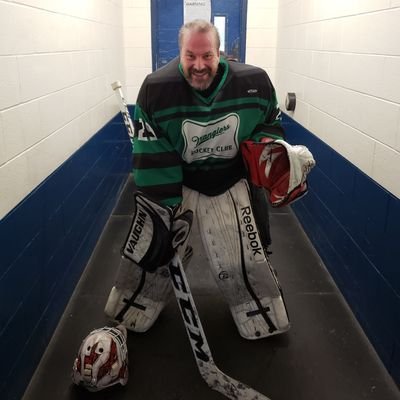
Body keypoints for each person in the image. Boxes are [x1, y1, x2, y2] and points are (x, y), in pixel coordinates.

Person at [104, 19, 314, 340]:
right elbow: (152, 155)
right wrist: (164, 212)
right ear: (179, 53)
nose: (199, 65)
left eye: (207, 57)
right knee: (153, 249)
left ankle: (259, 313)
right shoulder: (156, 89)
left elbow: (269, 124)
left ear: (221, 53)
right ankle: (135, 305)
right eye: (190, 56)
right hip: (181, 181)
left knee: (243, 259)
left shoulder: (254, 82)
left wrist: (268, 153)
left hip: (231, 181)